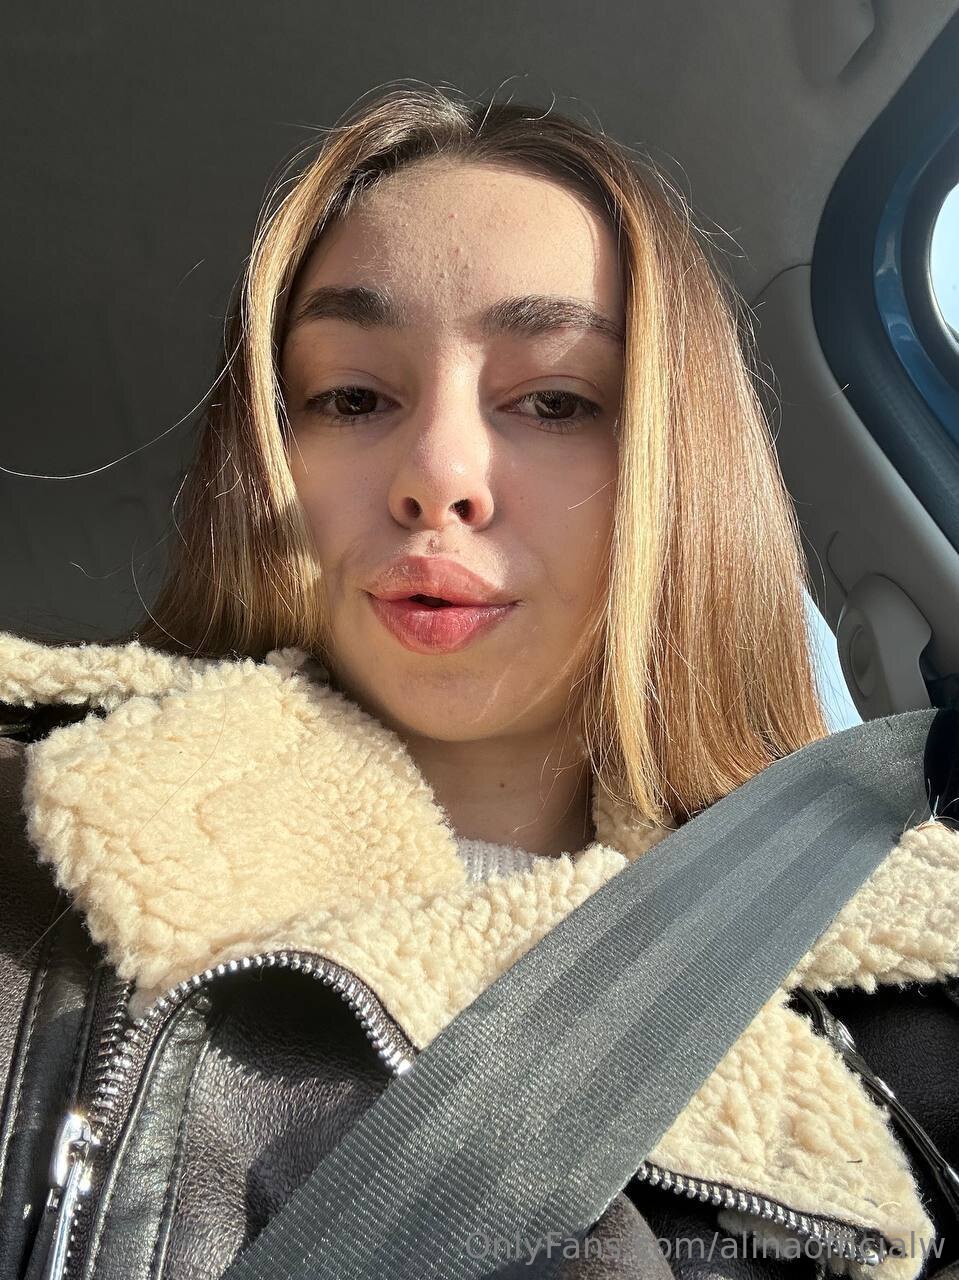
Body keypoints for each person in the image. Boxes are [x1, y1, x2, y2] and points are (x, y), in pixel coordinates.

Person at [1, 82, 957, 1280]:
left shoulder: (909, 977)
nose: (437, 473)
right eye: (352, 396)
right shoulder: (31, 845)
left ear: (679, 472)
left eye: (555, 401)